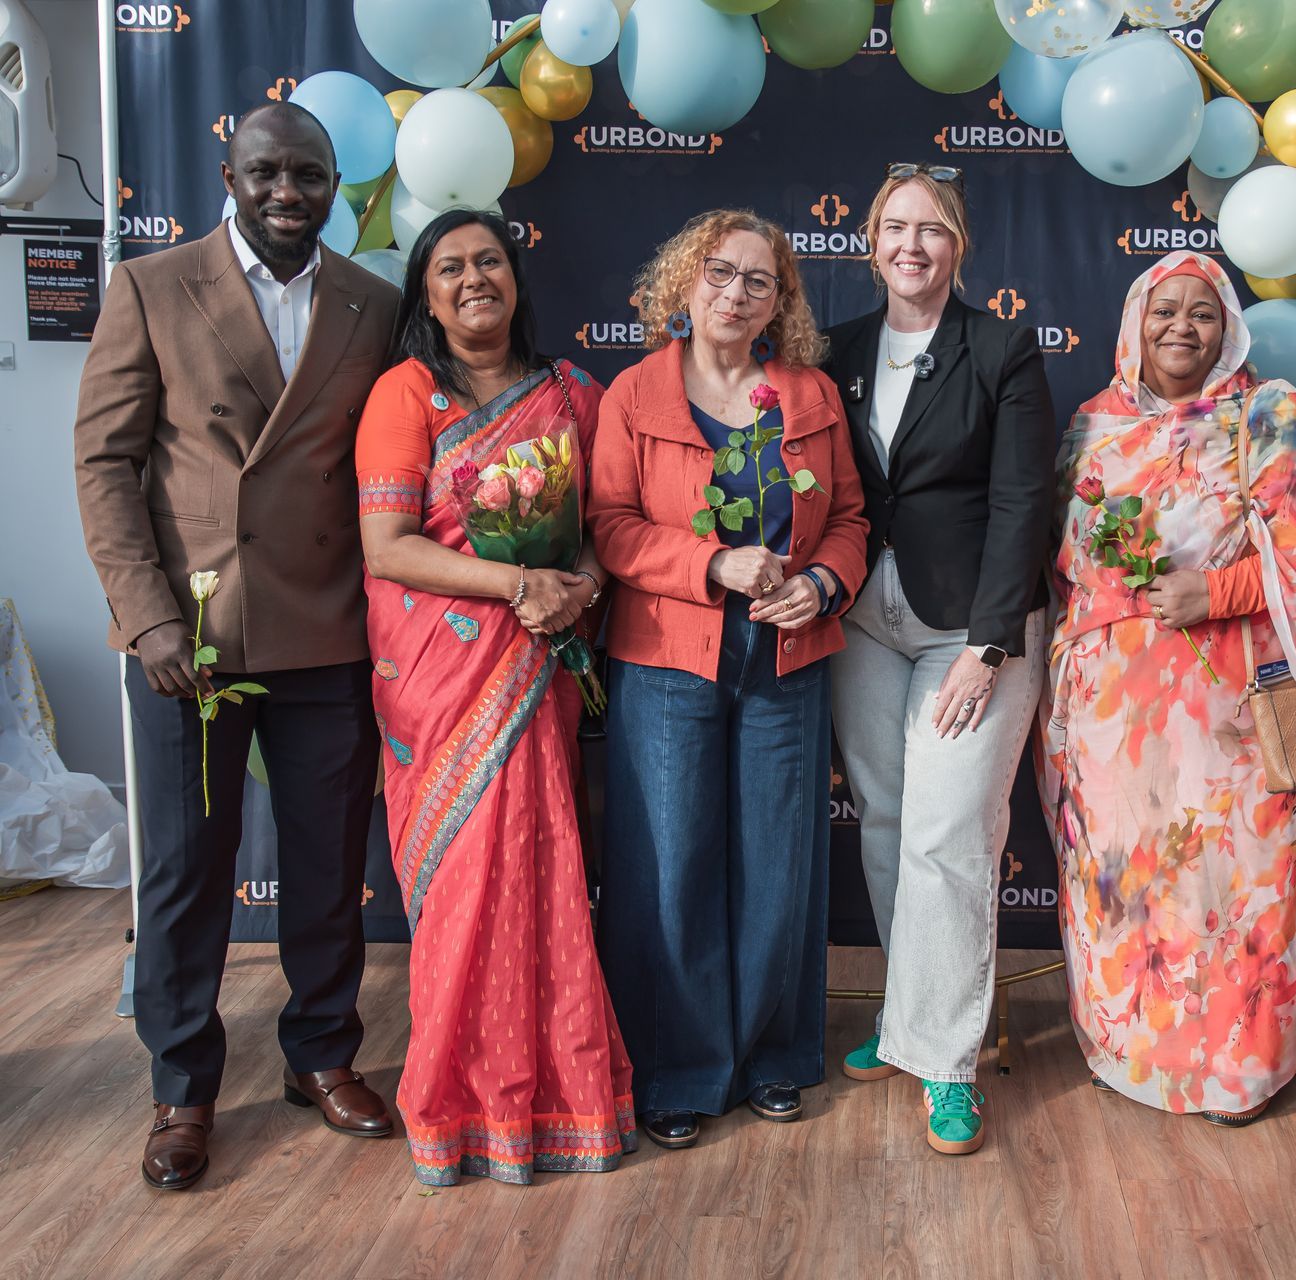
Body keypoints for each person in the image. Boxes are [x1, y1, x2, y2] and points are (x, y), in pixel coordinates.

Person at [73, 102, 398, 1191]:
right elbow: (106, 465)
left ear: (335, 180)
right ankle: (183, 1084)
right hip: (191, 638)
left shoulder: (374, 301)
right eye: (266, 172)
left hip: (328, 628)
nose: (286, 192)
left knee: (325, 867)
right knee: (182, 873)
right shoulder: (151, 286)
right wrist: (149, 614)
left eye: (308, 173)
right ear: (229, 169)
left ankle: (321, 1053)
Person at [1040, 249, 1296, 1126]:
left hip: (1238, 708)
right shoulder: (1090, 425)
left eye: (1203, 312)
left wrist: (1218, 591)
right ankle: (1127, 1055)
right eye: (1165, 311)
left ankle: (1240, 1073)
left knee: (1238, 891)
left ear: (1230, 326)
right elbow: (1057, 561)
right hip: (1111, 713)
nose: (1181, 328)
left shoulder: (1275, 416)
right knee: (1124, 889)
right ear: (1133, 323)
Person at [355, 209, 637, 1185]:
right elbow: (388, 547)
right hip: (444, 676)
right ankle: (456, 1110)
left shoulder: (571, 391)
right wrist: (519, 584)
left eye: (489, 261)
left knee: (543, 874)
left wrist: (582, 585)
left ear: (516, 277)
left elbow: (609, 524)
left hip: (543, 666)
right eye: (449, 268)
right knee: (465, 890)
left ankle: (558, 1101)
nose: (473, 278)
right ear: (425, 293)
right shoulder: (407, 392)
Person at [588, 209, 869, 1150]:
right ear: (684, 281)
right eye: (719, 273)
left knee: (779, 866)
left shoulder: (810, 394)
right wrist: (711, 564)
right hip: (668, 658)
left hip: (785, 662)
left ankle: (775, 1059)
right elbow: (612, 527)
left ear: (779, 302)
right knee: (670, 867)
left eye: (759, 281)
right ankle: (676, 1068)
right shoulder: (634, 393)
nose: (735, 293)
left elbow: (851, 522)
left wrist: (823, 583)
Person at [821, 163, 1055, 1155]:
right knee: (885, 821)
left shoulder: (1002, 345)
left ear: (959, 246)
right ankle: (908, 1013)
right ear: (870, 242)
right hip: (864, 619)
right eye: (894, 227)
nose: (911, 244)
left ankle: (949, 1061)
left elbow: (1021, 505)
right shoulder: (833, 349)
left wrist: (990, 647)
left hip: (975, 626)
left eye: (933, 229)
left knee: (950, 832)